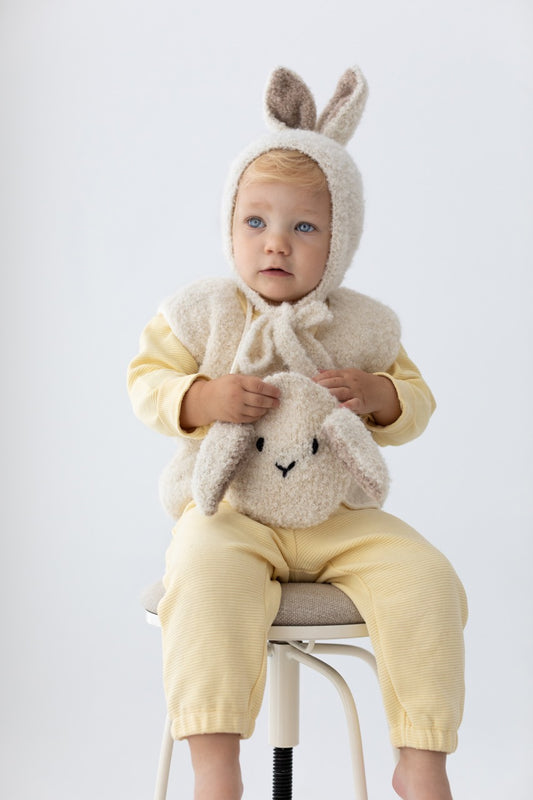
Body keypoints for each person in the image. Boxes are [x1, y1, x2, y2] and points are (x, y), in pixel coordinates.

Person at [128, 66, 467, 800]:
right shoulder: (201, 310)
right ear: (230, 226)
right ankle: (215, 764)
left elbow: (418, 402)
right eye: (256, 222)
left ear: (340, 240)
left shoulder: (365, 324)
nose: (275, 244)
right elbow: (145, 382)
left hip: (336, 518)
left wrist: (379, 395)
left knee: (427, 577)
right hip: (230, 512)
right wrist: (201, 397)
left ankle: (421, 758)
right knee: (201, 572)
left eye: (303, 227)